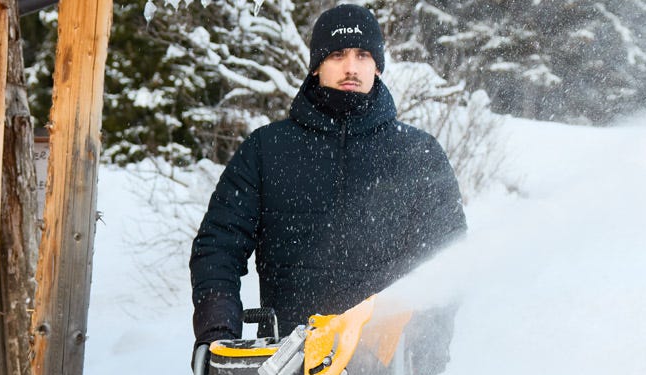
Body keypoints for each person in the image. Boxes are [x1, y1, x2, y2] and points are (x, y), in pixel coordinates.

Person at [189, 3, 467, 352]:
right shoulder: (267, 150)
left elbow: (448, 258)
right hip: (284, 363)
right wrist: (218, 332)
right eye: (337, 54)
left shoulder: (417, 155)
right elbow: (217, 246)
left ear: (377, 66)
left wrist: (423, 347)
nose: (351, 67)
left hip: (382, 366)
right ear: (317, 65)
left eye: (363, 54)